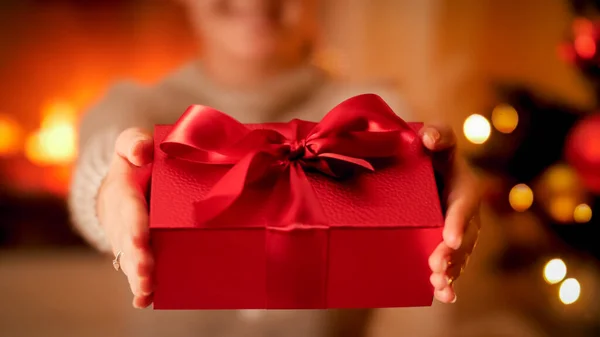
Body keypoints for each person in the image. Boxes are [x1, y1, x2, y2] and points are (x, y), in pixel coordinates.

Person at [69, 0, 480, 336]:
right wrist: (109, 187)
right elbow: (106, 153)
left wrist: (436, 182)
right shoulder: (131, 106)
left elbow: (415, 143)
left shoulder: (370, 109)